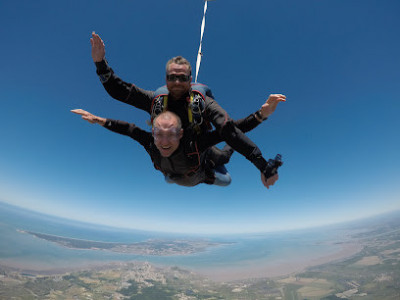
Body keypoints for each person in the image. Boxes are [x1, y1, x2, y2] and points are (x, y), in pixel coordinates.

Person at [90, 32, 286, 188]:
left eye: (182, 78)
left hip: (199, 153)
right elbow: (120, 92)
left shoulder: (202, 103)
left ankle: (208, 171)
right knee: (170, 175)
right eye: (172, 77)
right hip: (174, 168)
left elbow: (229, 130)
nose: (176, 83)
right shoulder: (156, 100)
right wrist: (100, 64)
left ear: (190, 81)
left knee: (225, 169)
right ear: (166, 80)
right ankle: (178, 172)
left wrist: (262, 163)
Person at [72, 109, 278, 189]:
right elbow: (130, 129)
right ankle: (185, 171)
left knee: (225, 168)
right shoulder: (151, 142)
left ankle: (209, 166)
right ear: (153, 133)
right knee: (171, 176)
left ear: (180, 134)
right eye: (158, 134)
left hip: (200, 167)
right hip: (179, 172)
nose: (163, 141)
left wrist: (260, 115)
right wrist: (101, 120)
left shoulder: (193, 143)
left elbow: (234, 130)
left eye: (170, 134)